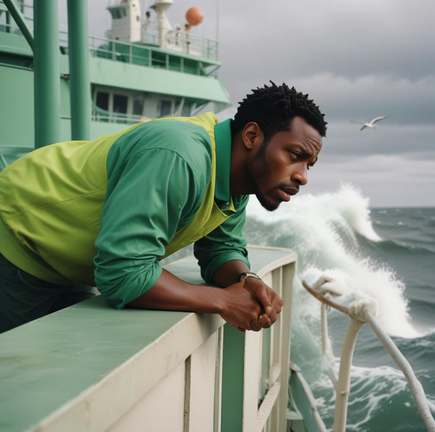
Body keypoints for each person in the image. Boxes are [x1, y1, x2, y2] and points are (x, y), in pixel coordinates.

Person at [0, 82, 327, 334]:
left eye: (309, 164)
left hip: (67, 267)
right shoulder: (180, 155)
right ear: (252, 135)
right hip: (17, 240)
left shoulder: (236, 183)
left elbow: (220, 250)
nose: (302, 176)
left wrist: (245, 279)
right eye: (295, 155)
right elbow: (122, 273)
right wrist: (224, 301)